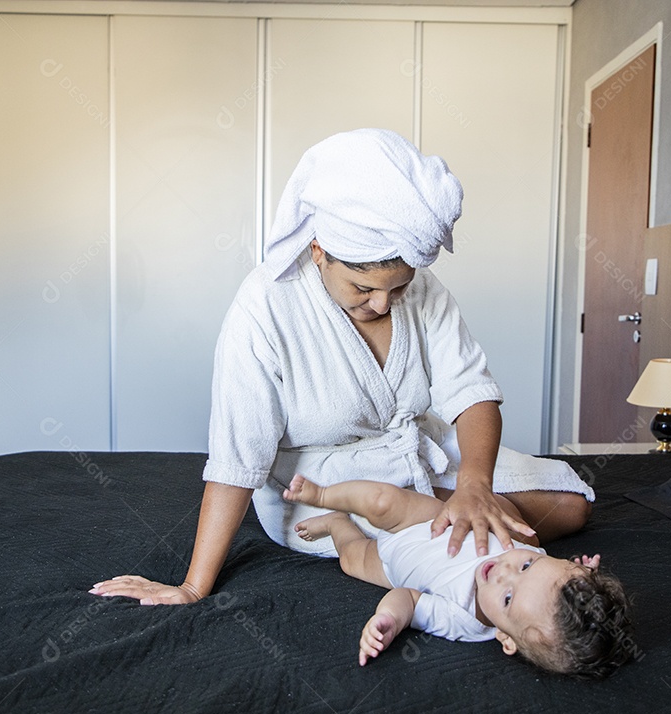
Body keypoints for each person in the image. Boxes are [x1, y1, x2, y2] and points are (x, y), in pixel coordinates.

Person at [91, 128, 594, 606]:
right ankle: (473, 541)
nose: (382, 304)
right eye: (363, 288)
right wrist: (194, 585)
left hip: (416, 445)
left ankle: (467, 514)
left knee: (570, 506)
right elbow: (236, 455)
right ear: (319, 251)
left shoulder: (423, 292)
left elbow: (472, 391)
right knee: (495, 520)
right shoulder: (265, 307)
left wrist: (474, 485)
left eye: (396, 288)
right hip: (319, 483)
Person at [281, 474, 633, 679]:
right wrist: (584, 574)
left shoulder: (465, 621)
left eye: (507, 598)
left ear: (504, 639)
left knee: (351, 559)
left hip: (393, 564)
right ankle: (323, 494)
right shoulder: (537, 563)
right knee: (381, 501)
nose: (504, 572)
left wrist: (387, 618)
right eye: (526, 566)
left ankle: (335, 522)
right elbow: (553, 576)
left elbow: (410, 599)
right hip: (430, 523)